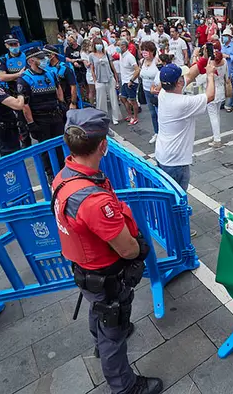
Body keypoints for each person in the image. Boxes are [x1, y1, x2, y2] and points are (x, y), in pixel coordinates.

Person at [51, 108, 163, 394]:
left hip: (87, 271)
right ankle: (124, 387)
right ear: (103, 145)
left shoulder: (63, 176)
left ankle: (101, 341)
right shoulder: (93, 201)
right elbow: (126, 249)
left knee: (99, 311)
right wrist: (139, 249)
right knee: (112, 329)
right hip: (106, 272)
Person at [154, 62, 215, 194]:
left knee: (167, 196)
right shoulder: (182, 103)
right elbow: (210, 96)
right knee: (177, 200)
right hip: (176, 161)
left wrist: (203, 61)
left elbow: (189, 76)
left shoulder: (163, 94)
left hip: (163, 154)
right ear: (179, 82)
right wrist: (210, 75)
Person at [17, 47, 66, 181]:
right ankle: (50, 174)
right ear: (31, 60)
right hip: (40, 119)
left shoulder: (50, 73)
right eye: (41, 58)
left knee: (61, 144)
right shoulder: (25, 79)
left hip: (55, 115)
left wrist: (62, 104)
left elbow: (58, 88)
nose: (45, 60)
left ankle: (64, 170)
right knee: (45, 148)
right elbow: (25, 105)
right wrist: (31, 123)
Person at [0, 34, 31, 147]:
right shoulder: (4, 60)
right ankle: (26, 145)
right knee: (21, 121)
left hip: (28, 91)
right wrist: (18, 75)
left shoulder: (26, 57)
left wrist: (12, 76)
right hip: (14, 93)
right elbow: (1, 77)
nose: (14, 46)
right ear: (6, 46)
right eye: (11, 44)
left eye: (15, 44)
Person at [90, 38, 122, 125]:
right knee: (101, 101)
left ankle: (115, 117)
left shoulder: (106, 54)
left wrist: (116, 78)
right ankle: (103, 117)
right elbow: (92, 69)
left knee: (113, 99)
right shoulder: (92, 55)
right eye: (97, 44)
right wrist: (95, 81)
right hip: (99, 80)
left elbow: (112, 67)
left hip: (110, 78)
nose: (99, 45)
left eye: (100, 44)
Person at [43, 45, 79, 111]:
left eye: (46, 54)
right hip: (55, 100)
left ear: (53, 55)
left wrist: (73, 103)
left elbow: (73, 86)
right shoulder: (46, 68)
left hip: (67, 99)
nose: (44, 57)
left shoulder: (64, 68)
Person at [140, 41, 161, 143]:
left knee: (159, 113)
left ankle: (163, 133)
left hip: (157, 91)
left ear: (152, 51)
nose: (144, 52)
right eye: (143, 50)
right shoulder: (142, 61)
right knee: (152, 113)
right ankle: (156, 132)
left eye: (147, 50)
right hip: (146, 90)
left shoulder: (157, 61)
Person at [118, 39, 140, 125]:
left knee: (133, 100)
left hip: (131, 81)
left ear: (124, 46)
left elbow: (137, 69)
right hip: (124, 81)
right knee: (123, 98)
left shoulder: (130, 57)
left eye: (120, 46)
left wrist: (131, 80)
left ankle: (135, 117)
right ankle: (130, 115)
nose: (118, 47)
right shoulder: (121, 55)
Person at [221, 27, 233, 112]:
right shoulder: (223, 46)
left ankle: (230, 105)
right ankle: (223, 102)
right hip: (223, 70)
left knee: (232, 89)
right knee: (224, 88)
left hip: (232, 70)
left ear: (230, 37)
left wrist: (229, 56)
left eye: (226, 36)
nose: (224, 38)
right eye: (223, 36)